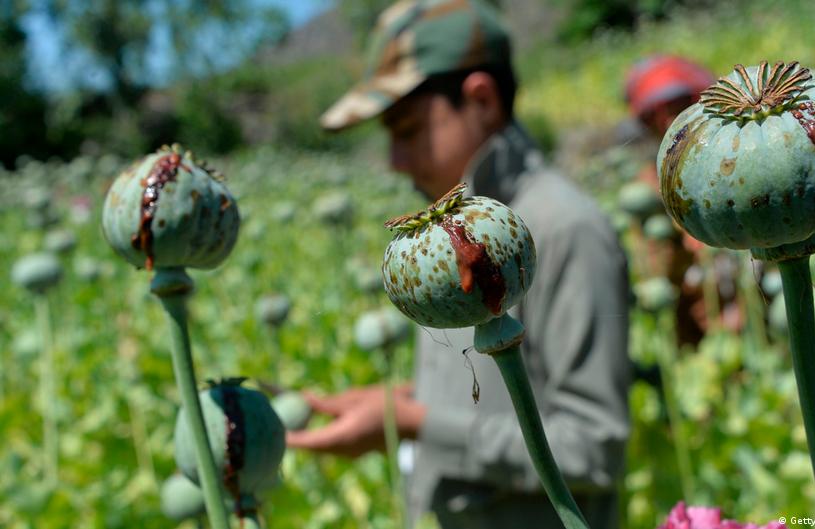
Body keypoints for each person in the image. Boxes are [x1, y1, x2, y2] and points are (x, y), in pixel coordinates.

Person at [286, 2, 632, 528]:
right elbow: (492, 390)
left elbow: (593, 449)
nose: (395, 160)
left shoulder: (564, 229)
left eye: (406, 130)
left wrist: (417, 425)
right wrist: (389, 404)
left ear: (482, 100)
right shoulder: (451, 238)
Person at [623, 55, 743, 346]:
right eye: (657, 116)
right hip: (696, 326)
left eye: (677, 109)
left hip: (746, 304)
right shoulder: (648, 188)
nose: (668, 122)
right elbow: (655, 275)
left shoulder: (736, 165)